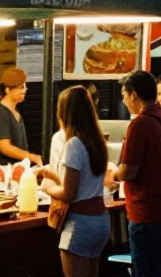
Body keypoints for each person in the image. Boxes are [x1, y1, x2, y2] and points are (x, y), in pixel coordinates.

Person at [37, 86, 111, 277]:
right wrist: (54, 177)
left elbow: (69, 193)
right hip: (101, 221)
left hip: (80, 223)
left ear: (65, 112)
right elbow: (84, 181)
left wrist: (49, 187)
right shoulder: (96, 141)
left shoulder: (73, 144)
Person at [115, 71, 161, 277]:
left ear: (134, 94)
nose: (124, 101)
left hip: (145, 213)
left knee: (146, 272)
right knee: (160, 269)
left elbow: (129, 171)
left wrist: (114, 174)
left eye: (124, 95)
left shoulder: (139, 124)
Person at [0, 66, 43, 166]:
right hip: (5, 172)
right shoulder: (0, 113)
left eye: (25, 86)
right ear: (8, 89)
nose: (25, 90)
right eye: (21, 87)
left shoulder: (16, 112)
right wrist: (30, 156)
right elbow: (5, 147)